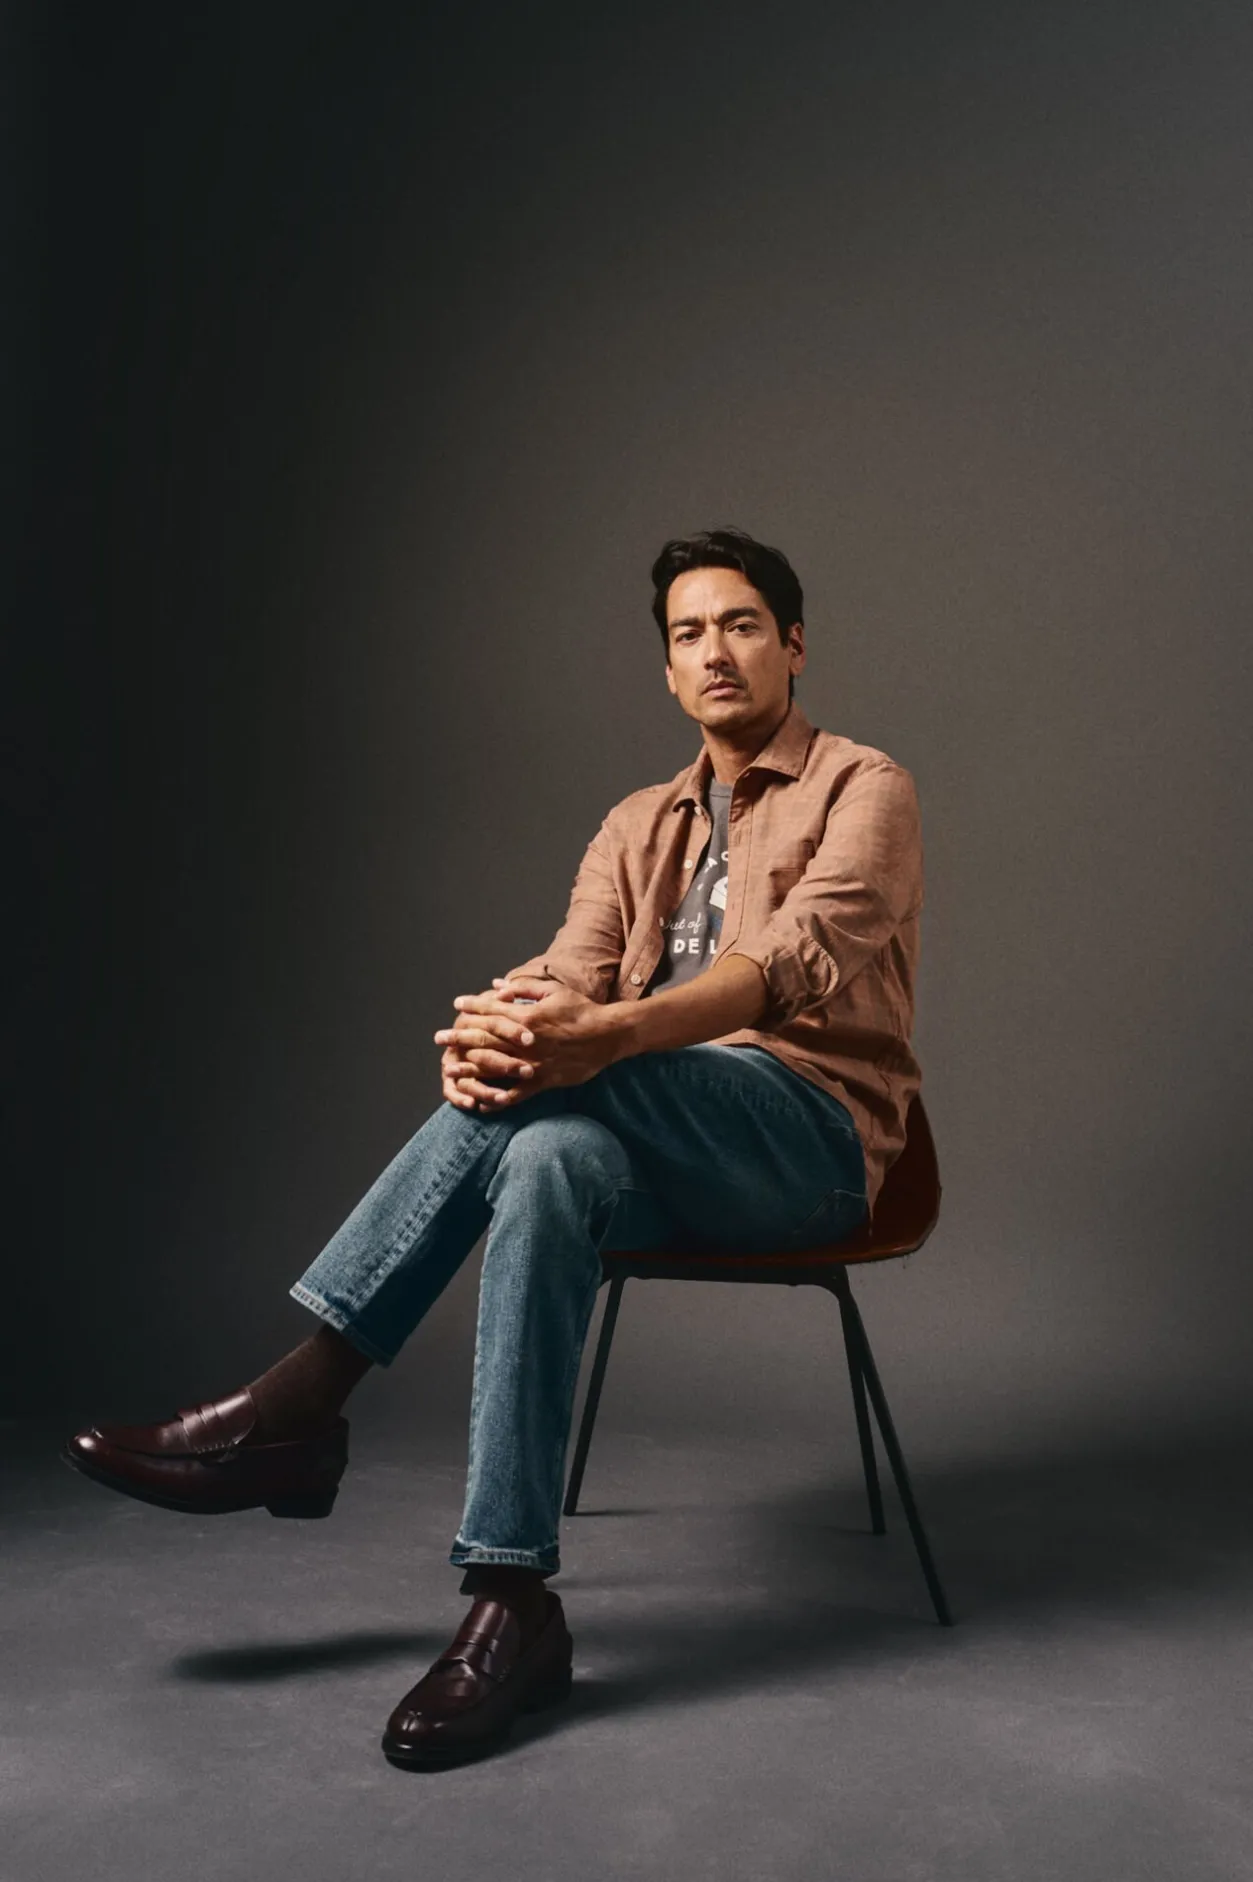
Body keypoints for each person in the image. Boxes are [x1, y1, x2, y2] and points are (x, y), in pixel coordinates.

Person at [63, 526, 925, 1769]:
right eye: (687, 633)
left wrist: (596, 1037)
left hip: (805, 1143)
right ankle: (511, 1601)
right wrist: (497, 1038)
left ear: (791, 645)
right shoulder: (633, 824)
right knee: (543, 1158)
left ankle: (299, 1404)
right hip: (649, 1148)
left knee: (581, 1083)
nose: (714, 652)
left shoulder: (864, 786)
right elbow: (569, 972)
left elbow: (786, 965)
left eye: (740, 625)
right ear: (666, 670)